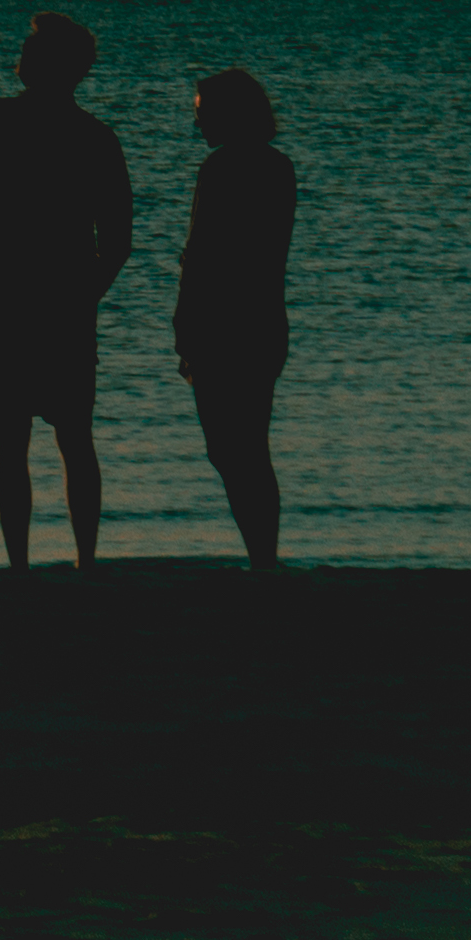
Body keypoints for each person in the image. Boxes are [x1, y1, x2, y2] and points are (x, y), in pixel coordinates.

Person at [0, 9, 136, 567]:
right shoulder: (96, 137)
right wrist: (84, 293)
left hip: (4, 302)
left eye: (29, 52)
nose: (19, 60)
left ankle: (23, 565)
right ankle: (83, 561)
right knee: (71, 437)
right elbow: (118, 240)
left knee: (18, 438)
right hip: (52, 304)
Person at [175, 67, 300, 567]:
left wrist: (185, 326)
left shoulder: (220, 169)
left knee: (230, 450)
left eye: (202, 113)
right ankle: (264, 558)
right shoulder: (278, 167)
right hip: (264, 320)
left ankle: (263, 559)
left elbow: (201, 253)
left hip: (222, 324)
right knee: (250, 447)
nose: (197, 124)